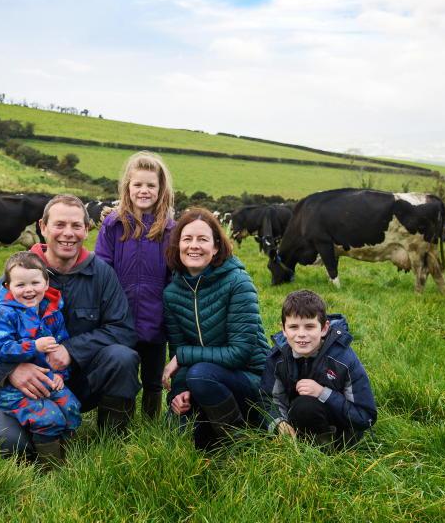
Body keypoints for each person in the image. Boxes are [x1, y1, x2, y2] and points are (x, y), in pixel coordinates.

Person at [0, 194, 140, 461]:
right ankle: (48, 435)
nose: (68, 233)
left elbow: (123, 328)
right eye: (59, 225)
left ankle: (112, 446)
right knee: (12, 447)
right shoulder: (22, 274)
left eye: (76, 226)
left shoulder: (102, 274)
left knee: (122, 357)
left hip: (83, 380)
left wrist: (71, 351)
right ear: (42, 227)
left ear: (86, 230)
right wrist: (10, 371)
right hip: (29, 386)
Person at [161, 207, 270, 449]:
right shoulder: (171, 294)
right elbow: (177, 352)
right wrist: (179, 393)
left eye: (202, 239)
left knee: (199, 373)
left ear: (216, 247)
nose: (194, 246)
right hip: (206, 380)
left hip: (252, 378)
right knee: (177, 427)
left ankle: (238, 439)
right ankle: (216, 427)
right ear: (178, 245)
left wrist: (184, 356)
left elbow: (239, 353)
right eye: (187, 239)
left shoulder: (238, 282)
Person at [95, 151, 175, 419]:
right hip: (120, 319)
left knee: (153, 380)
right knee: (123, 374)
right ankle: (119, 424)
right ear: (127, 187)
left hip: (156, 319)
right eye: (137, 184)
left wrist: (167, 312)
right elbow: (102, 268)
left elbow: (174, 276)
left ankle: (150, 426)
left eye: (151, 185)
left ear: (161, 189)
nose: (144, 190)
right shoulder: (113, 225)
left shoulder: (170, 230)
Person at [0, 251, 81, 465]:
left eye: (35, 283)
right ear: (8, 287)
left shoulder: (52, 311)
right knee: (48, 417)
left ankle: (68, 455)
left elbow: (59, 347)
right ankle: (51, 466)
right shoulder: (4, 313)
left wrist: (60, 374)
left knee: (71, 407)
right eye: (20, 285)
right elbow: (0, 348)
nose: (29, 290)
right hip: (15, 388)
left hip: (48, 379)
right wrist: (34, 346)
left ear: (46, 283)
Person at [260, 290, 377, 448]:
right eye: (293, 327)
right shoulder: (277, 358)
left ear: (324, 328)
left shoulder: (344, 359)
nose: (301, 334)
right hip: (297, 424)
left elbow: (365, 416)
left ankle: (326, 451)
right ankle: (298, 445)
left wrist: (323, 393)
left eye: (309, 326)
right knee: (301, 407)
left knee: (305, 406)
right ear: (283, 329)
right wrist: (279, 423)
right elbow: (268, 400)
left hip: (342, 433)